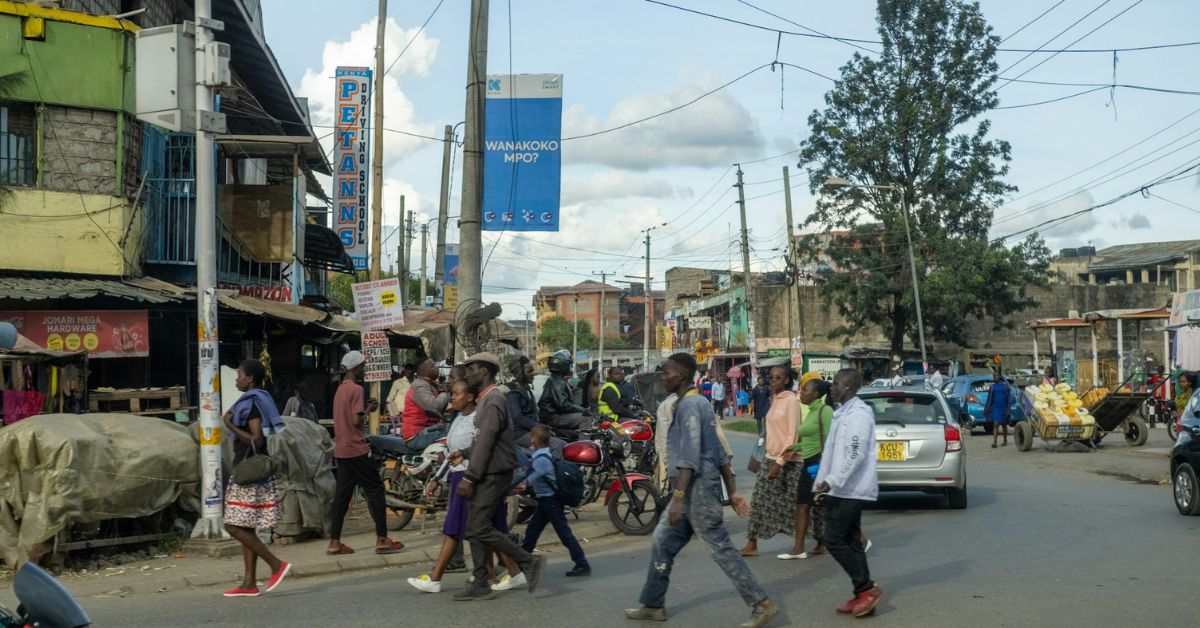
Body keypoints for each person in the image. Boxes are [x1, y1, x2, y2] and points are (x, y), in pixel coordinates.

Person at [625, 353, 780, 628]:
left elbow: (690, 456)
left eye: (668, 373)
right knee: (662, 541)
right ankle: (653, 603)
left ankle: (762, 604)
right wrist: (731, 491)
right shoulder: (697, 404)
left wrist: (679, 499)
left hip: (695, 490)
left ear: (682, 376)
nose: (664, 377)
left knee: (720, 547)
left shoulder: (689, 406)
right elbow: (719, 451)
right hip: (691, 490)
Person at [408, 380, 519, 593]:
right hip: (458, 476)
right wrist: (438, 478)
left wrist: (470, 477)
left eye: (456, 394)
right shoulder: (458, 419)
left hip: (471, 479)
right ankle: (508, 572)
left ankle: (435, 577)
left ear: (469, 396)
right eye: (451, 394)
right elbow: (452, 454)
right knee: (484, 532)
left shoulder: (478, 420)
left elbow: (481, 451)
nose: (452, 398)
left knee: (454, 530)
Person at [454, 352, 546, 601]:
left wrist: (470, 477)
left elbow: (487, 441)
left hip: (493, 472)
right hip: (489, 469)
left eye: (471, 369)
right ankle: (481, 581)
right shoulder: (488, 399)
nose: (467, 373)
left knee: (478, 527)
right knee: (475, 528)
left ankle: (528, 561)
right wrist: (463, 453)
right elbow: (482, 441)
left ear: (484, 371)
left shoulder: (493, 400)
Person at [814, 368, 883, 618]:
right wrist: (822, 483)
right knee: (852, 541)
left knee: (833, 540)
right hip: (840, 488)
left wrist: (832, 481)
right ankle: (862, 593)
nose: (831, 387)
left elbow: (855, 454)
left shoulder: (859, 415)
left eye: (835, 383)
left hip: (851, 489)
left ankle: (867, 589)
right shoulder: (842, 413)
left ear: (849, 387)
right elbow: (833, 453)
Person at [221, 359, 291, 597]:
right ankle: (249, 583)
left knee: (232, 525)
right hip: (253, 470)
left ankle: (275, 564)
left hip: (248, 472)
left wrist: (229, 425)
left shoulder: (250, 403)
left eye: (239, 375)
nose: (236, 379)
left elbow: (256, 440)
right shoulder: (259, 399)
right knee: (245, 526)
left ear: (249, 378)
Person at [327, 350, 404, 556]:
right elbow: (355, 420)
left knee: (341, 497)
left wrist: (366, 408)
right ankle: (382, 538)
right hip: (356, 448)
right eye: (362, 366)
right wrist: (367, 411)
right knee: (376, 490)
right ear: (355, 368)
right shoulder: (356, 389)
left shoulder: (341, 390)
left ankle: (334, 541)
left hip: (342, 449)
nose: (364, 370)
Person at [740, 366, 802, 559]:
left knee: (797, 505)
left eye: (777, 378)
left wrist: (779, 462)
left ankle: (819, 540)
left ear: (786, 380)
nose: (772, 380)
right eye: (771, 377)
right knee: (759, 501)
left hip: (788, 462)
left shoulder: (791, 401)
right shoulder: (774, 399)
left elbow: (792, 434)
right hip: (769, 457)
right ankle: (752, 543)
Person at [520, 425, 591, 577]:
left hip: (550, 502)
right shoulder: (544, 455)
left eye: (531, 436)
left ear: (535, 439)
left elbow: (528, 480)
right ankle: (523, 564)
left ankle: (582, 564)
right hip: (546, 501)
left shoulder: (541, 460)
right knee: (532, 532)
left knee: (564, 534)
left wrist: (518, 485)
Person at [788, 374, 834, 559]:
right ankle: (798, 549)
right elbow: (810, 439)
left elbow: (831, 440)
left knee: (830, 505)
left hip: (818, 463)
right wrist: (795, 447)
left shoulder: (825, 411)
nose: (802, 393)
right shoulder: (811, 412)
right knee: (803, 504)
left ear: (815, 394)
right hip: (808, 462)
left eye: (805, 390)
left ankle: (860, 539)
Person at [506, 356, 566, 457]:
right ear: (520, 373)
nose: (532, 374)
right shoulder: (513, 391)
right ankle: (553, 472)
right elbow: (518, 418)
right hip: (519, 434)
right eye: (529, 372)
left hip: (530, 431)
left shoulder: (526, 389)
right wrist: (540, 427)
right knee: (558, 445)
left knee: (563, 438)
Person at [538, 350, 591, 434]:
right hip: (554, 417)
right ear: (563, 365)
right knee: (586, 419)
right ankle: (584, 444)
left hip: (552, 416)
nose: (569, 367)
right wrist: (582, 410)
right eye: (568, 365)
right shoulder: (557, 382)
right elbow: (563, 405)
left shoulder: (555, 380)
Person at [403, 358, 450, 451]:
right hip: (416, 436)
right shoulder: (419, 386)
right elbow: (434, 406)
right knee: (452, 436)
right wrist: (446, 393)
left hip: (426, 431)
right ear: (423, 372)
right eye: (432, 366)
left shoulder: (431, 384)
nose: (436, 368)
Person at [984, 370, 1012, 448]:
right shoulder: (992, 387)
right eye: (994, 376)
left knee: (1003, 424)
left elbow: (1009, 397)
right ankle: (995, 442)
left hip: (1004, 407)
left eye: (996, 375)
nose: (995, 377)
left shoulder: (1005, 386)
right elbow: (989, 399)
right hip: (995, 408)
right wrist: (987, 408)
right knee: (996, 424)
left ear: (1000, 376)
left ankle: (1005, 440)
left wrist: (1008, 408)